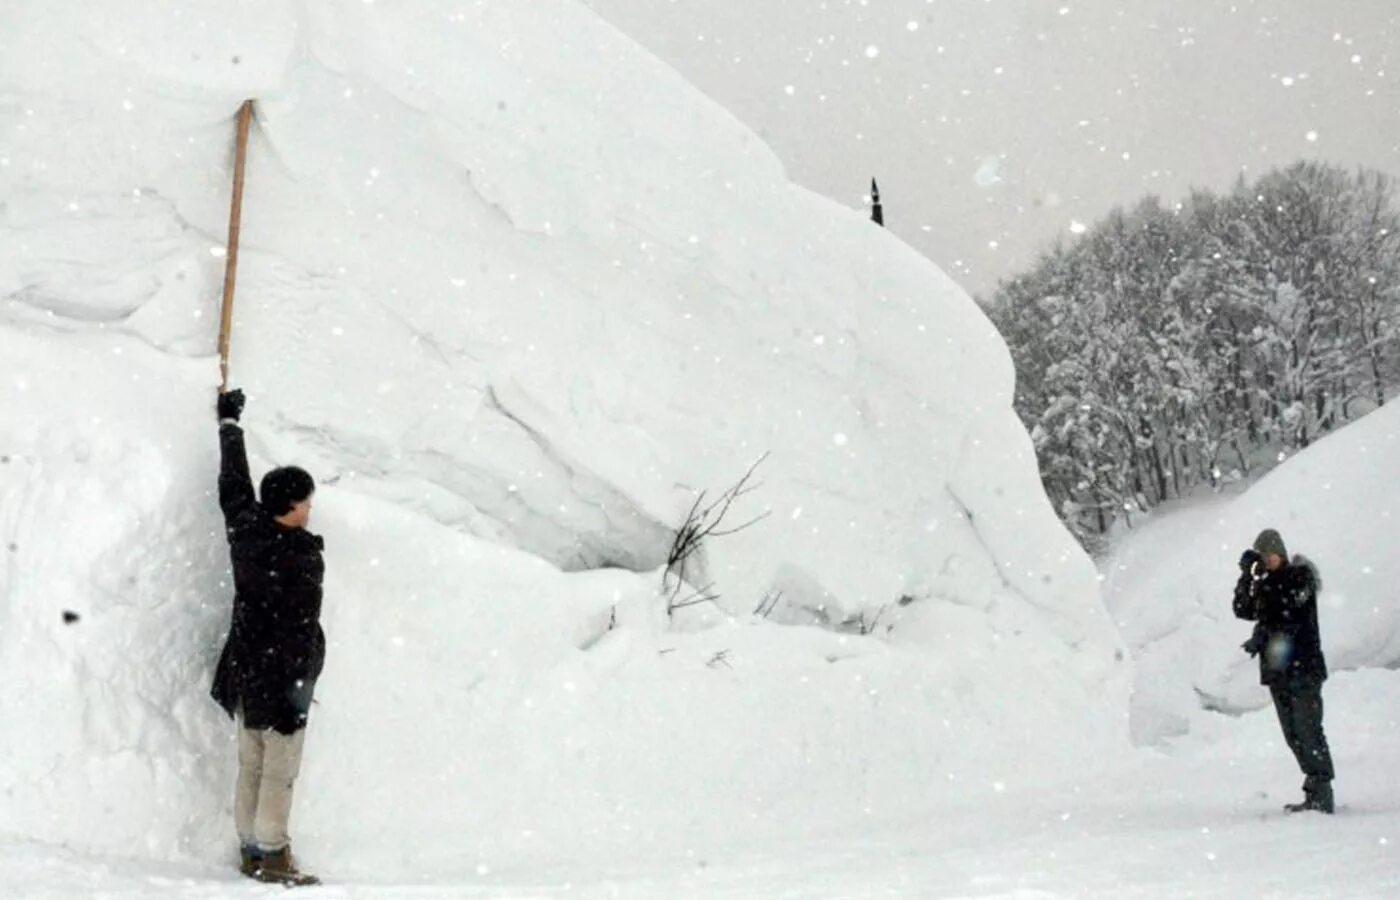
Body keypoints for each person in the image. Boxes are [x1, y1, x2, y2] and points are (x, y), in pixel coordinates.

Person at [210, 388, 326, 885]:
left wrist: (229, 426)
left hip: (246, 668)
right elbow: (299, 635)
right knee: (279, 769)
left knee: (251, 762)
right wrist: (297, 694)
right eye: (305, 502)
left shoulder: (247, 527)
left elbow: (234, 486)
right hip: (281, 678)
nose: (309, 508)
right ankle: (273, 856)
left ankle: (249, 849)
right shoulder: (300, 559)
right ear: (290, 507)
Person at [1233, 528, 1334, 814]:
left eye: (1270, 554)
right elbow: (1243, 609)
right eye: (1262, 557)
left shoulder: (1300, 578)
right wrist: (1245, 577)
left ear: (1281, 553)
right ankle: (1314, 788)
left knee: (1308, 729)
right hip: (1278, 672)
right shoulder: (1265, 583)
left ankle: (1322, 791)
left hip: (1304, 667)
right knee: (1292, 733)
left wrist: (1261, 637)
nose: (1266, 560)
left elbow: (1288, 614)